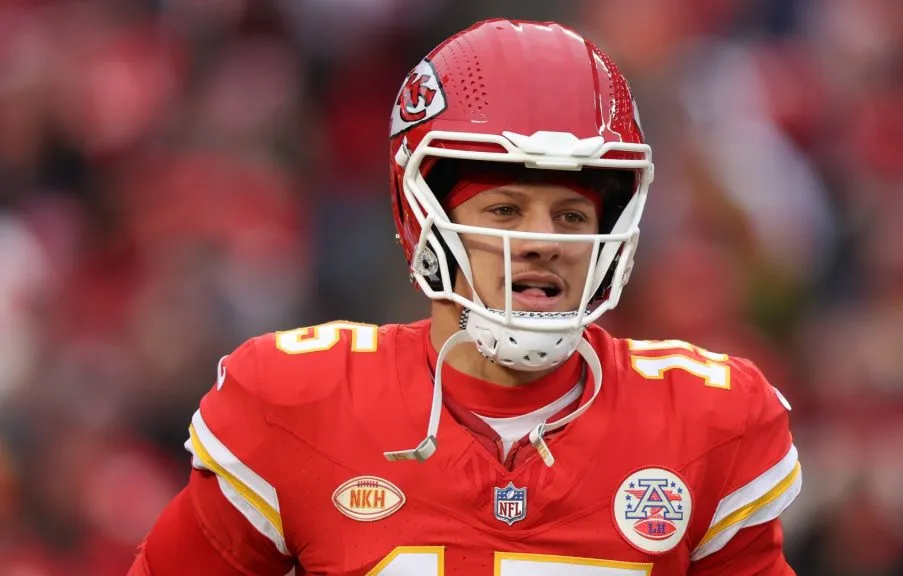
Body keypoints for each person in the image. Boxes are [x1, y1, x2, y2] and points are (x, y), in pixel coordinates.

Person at [128, 18, 802, 575]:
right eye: (505, 211)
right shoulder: (296, 402)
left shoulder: (703, 419)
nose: (543, 241)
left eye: (571, 215)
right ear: (423, 219)